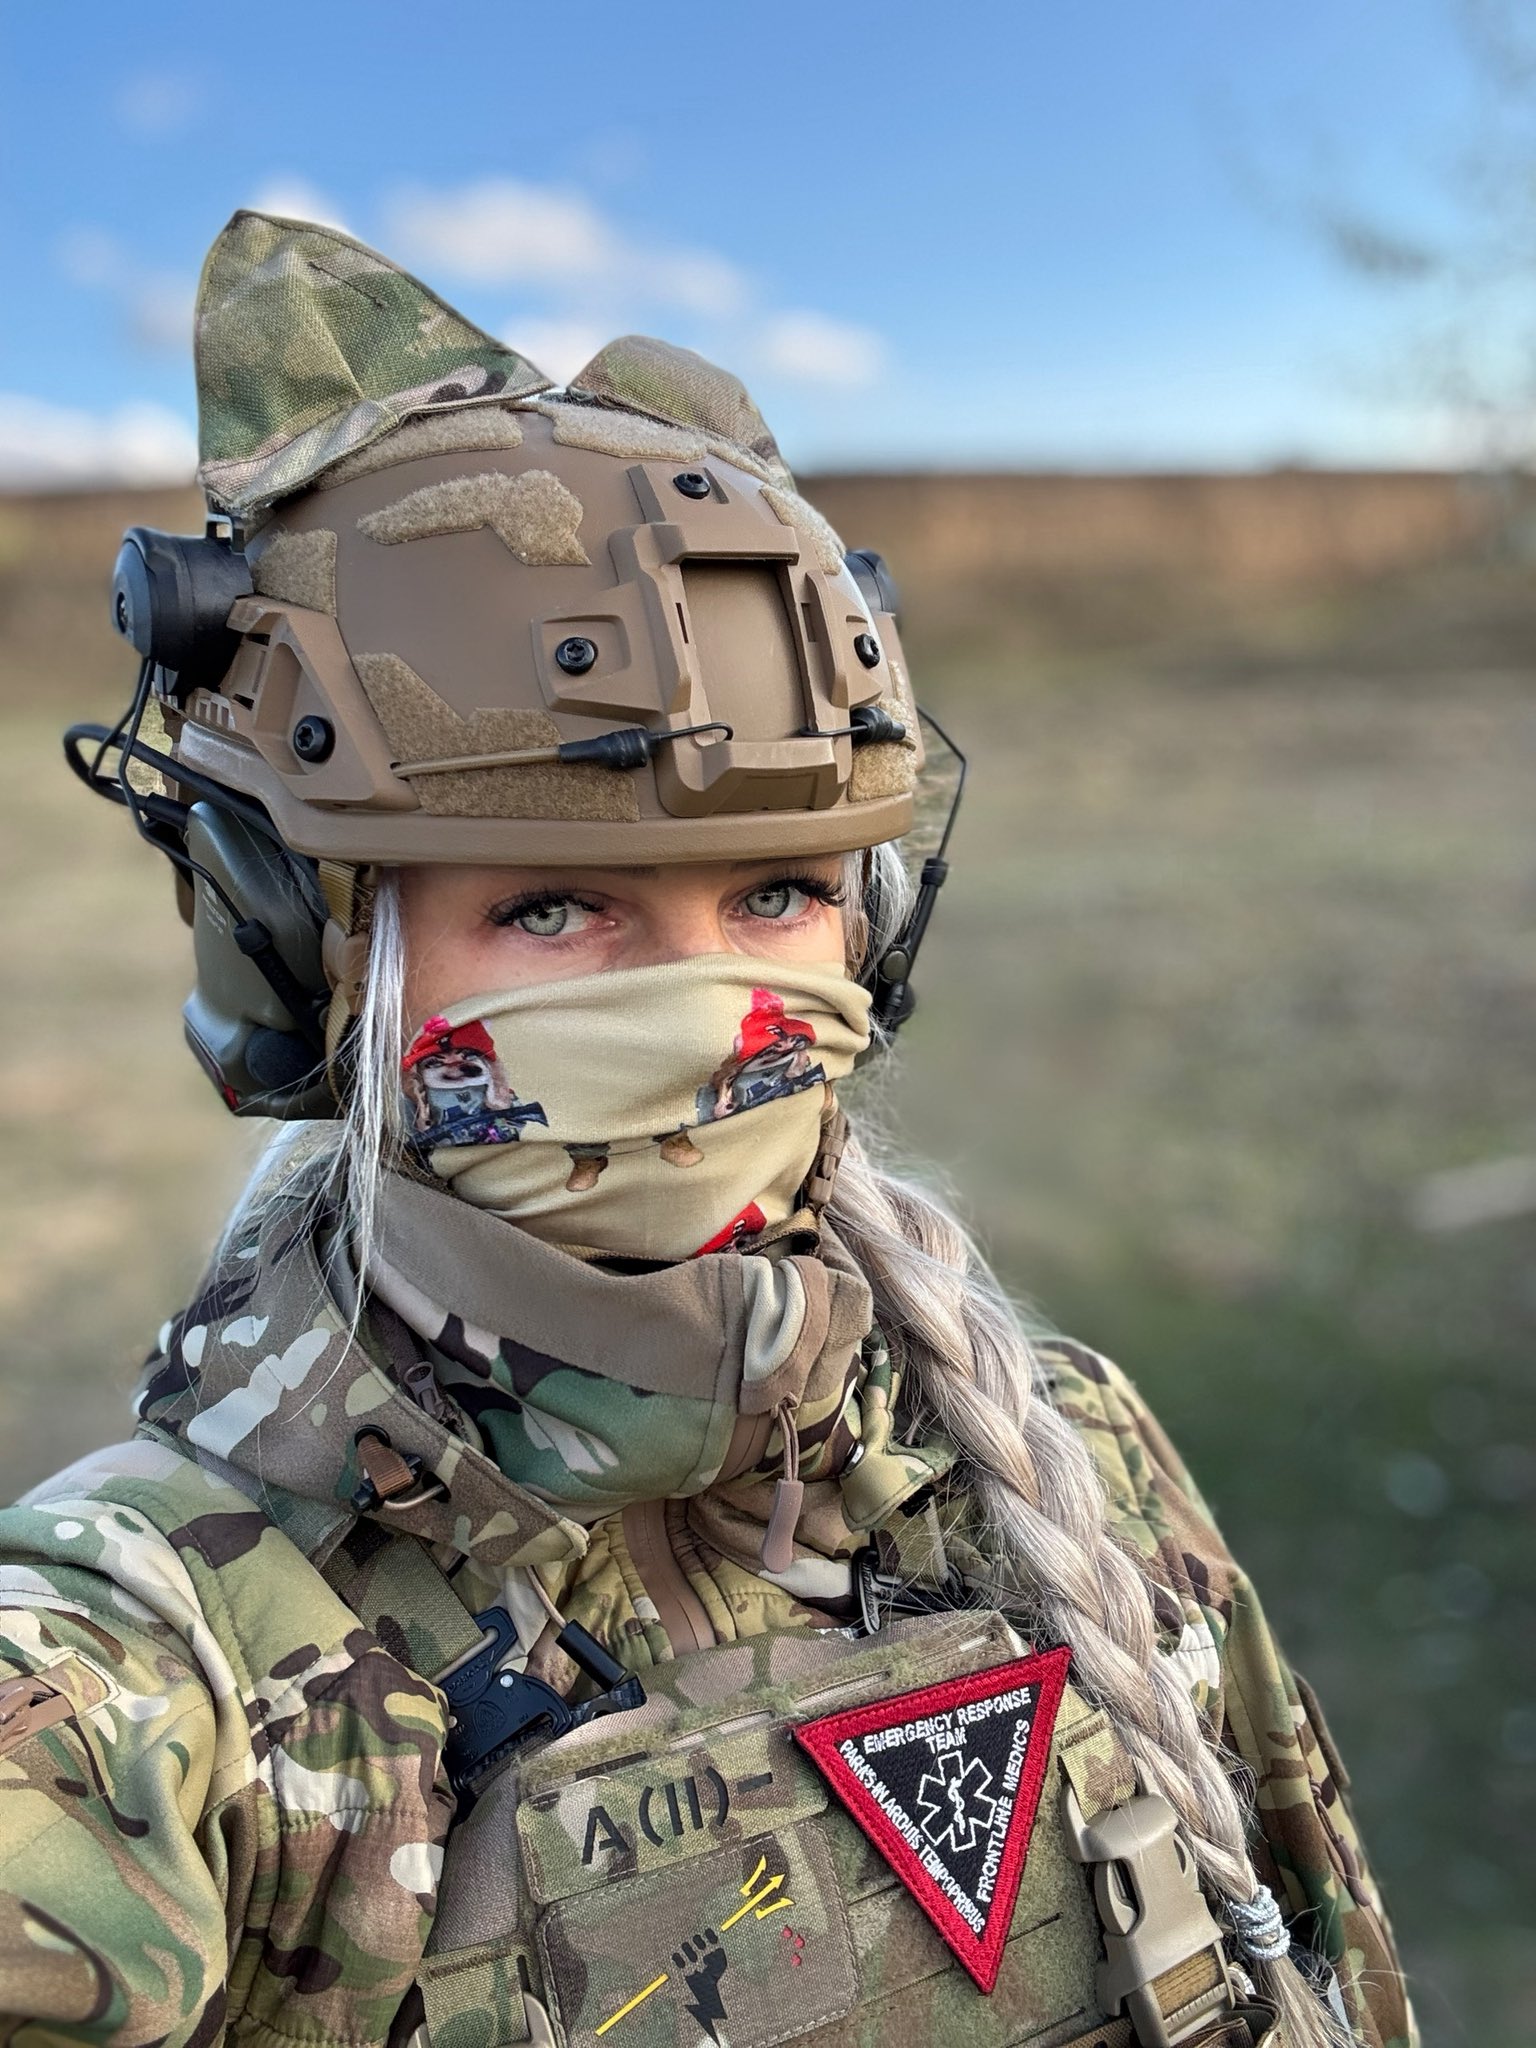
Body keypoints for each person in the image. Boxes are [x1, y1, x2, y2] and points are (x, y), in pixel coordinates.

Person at [0, 211, 1415, 2048]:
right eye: (551, 909)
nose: (703, 1008)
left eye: (774, 895)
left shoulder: (1068, 1455)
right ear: (301, 954)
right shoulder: (158, 1652)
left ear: (873, 929)